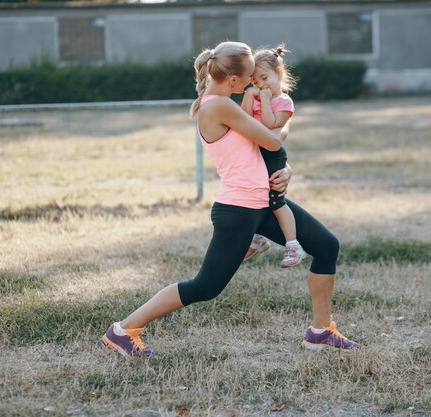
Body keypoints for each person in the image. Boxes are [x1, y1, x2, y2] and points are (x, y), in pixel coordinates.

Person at [101, 41, 360, 359]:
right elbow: (272, 138)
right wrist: (288, 117)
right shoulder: (218, 106)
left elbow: (259, 151)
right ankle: (123, 329)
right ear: (234, 80)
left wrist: (286, 170)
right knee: (204, 287)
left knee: (326, 246)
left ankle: (321, 332)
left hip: (262, 202)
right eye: (250, 78)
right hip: (238, 210)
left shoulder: (223, 104)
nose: (254, 84)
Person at [240, 44, 305, 268]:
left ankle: (293, 245)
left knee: (276, 202)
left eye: (264, 78)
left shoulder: (284, 102)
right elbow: (244, 117)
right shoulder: (257, 97)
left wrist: (264, 99)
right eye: (255, 82)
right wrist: (249, 94)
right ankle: (258, 239)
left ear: (278, 73)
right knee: (255, 198)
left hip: (272, 156)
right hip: (257, 156)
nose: (261, 85)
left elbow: (270, 124)